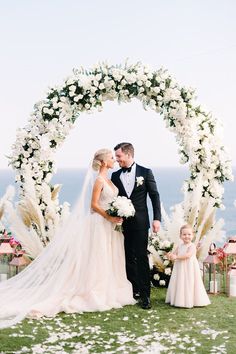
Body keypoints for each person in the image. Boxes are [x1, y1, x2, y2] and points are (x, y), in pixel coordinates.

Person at [0, 148, 135, 329]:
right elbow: (93, 205)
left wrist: (117, 213)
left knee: (110, 256)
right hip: (100, 224)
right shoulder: (99, 180)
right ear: (103, 162)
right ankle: (96, 290)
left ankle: (111, 288)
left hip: (110, 226)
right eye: (111, 157)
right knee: (99, 257)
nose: (114, 159)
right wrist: (109, 216)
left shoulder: (109, 180)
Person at [111, 142, 161, 309]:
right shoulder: (115, 176)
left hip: (141, 223)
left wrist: (157, 219)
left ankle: (146, 296)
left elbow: (154, 196)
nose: (117, 159)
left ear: (128, 155)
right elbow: (113, 199)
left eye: (119, 156)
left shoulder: (145, 173)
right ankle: (134, 290)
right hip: (123, 224)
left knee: (140, 257)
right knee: (126, 257)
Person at [165, 224, 211, 308]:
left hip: (189, 267)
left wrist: (176, 257)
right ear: (180, 236)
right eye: (184, 234)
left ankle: (191, 299)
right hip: (180, 267)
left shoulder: (192, 246)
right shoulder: (180, 246)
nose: (187, 236)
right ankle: (180, 299)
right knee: (181, 282)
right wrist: (170, 255)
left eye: (189, 234)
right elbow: (174, 254)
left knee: (189, 282)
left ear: (192, 236)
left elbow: (188, 255)